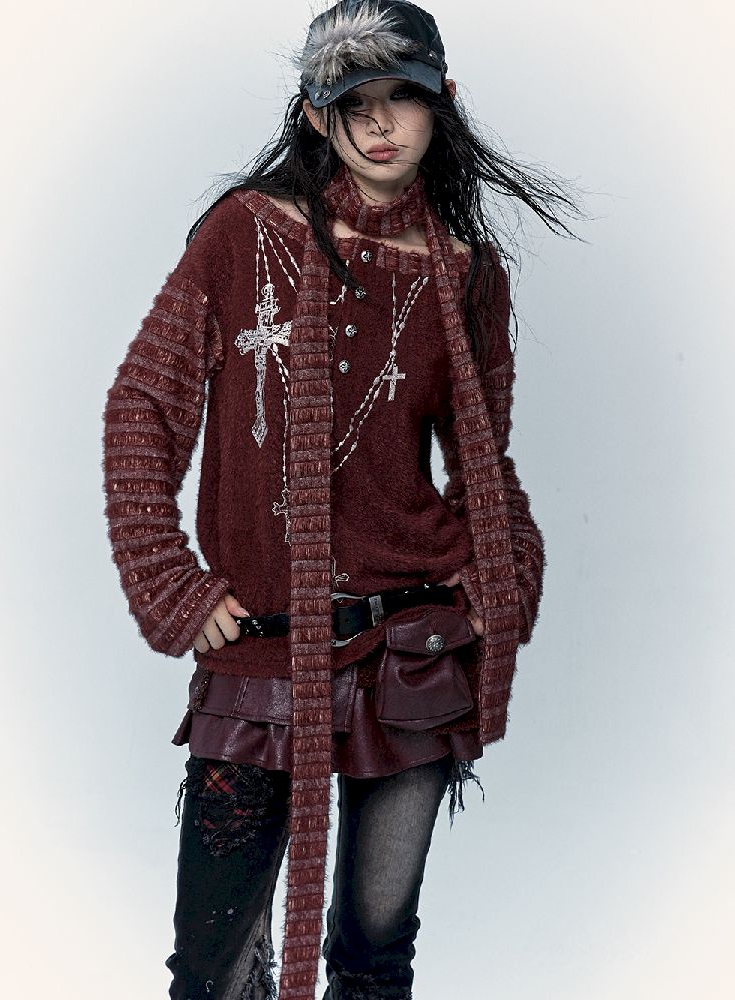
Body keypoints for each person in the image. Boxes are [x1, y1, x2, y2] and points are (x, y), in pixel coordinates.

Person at [101, 2, 586, 997]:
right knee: (213, 969)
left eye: (402, 97)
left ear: (442, 105)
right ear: (316, 116)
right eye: (354, 101)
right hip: (262, 647)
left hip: (411, 653)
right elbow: (143, 406)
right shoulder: (245, 234)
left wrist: (501, 580)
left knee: (375, 954)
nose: (379, 123)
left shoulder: (465, 275)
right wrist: (168, 578)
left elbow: (484, 465)